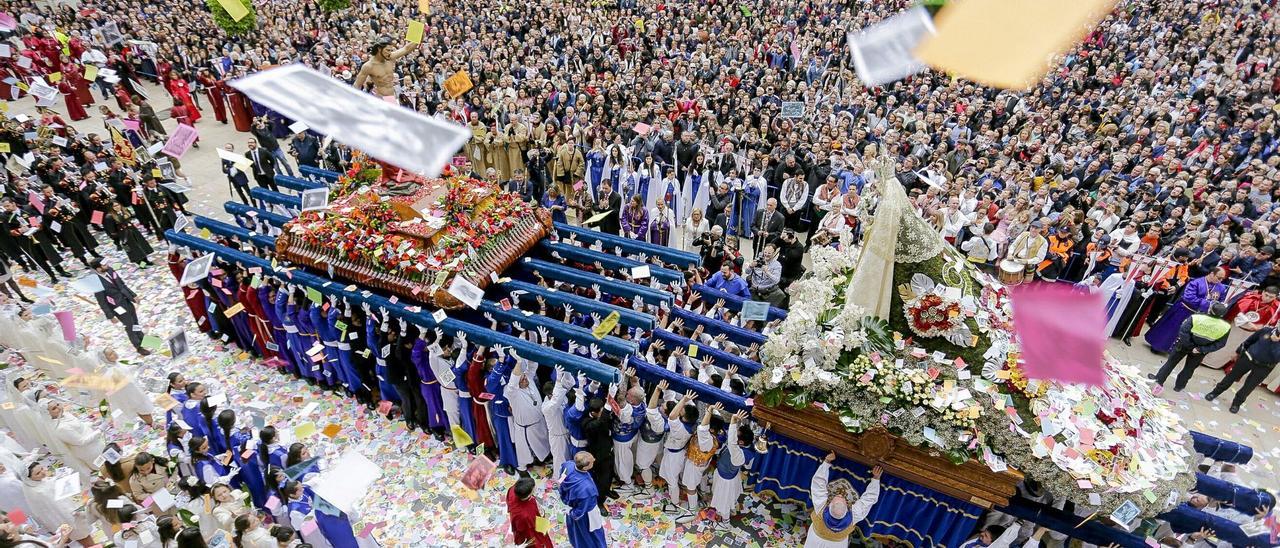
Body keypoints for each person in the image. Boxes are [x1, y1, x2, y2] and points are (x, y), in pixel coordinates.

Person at [804, 452, 882, 548]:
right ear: (847, 509)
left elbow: (818, 484)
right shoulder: (854, 515)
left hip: (815, 541)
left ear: (828, 505)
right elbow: (868, 500)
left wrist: (827, 461)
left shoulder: (821, 508)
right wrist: (876, 478)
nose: (840, 494)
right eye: (842, 498)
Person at [1149, 302, 1230, 391]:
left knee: (1171, 362)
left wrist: (1190, 346)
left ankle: (1159, 379)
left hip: (1184, 345)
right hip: (1200, 351)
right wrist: (1201, 349)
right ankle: (1179, 386)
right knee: (1189, 368)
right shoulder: (1225, 327)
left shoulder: (1196, 317)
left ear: (1210, 310)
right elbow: (1220, 343)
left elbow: (1183, 332)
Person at [1145, 269, 1228, 353]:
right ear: (1211, 273)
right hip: (1184, 309)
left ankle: (1173, 350)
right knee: (1170, 329)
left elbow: (1220, 301)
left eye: (1222, 279)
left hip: (1200, 315)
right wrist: (1208, 304)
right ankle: (1157, 346)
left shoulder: (1221, 287)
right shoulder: (1196, 283)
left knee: (1186, 334)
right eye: (1219, 278)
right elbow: (1189, 297)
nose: (1220, 281)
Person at [1206, 325, 1280, 413]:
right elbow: (1249, 341)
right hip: (1248, 358)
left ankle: (1236, 404)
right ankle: (1215, 392)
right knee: (1231, 377)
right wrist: (1238, 352)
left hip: (1265, 367)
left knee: (1249, 386)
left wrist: (1275, 343)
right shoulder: (1266, 330)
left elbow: (1277, 357)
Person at [90, 258, 149, 354]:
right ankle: (138, 346)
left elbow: (122, 284)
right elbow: (102, 302)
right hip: (117, 307)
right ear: (99, 269)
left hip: (126, 300)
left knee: (135, 321)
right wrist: (110, 316)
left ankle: (141, 337)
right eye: (104, 265)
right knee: (129, 325)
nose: (107, 266)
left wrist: (133, 295)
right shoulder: (96, 283)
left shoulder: (110, 270)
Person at [558, 451, 606, 548]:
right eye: (592, 461)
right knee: (592, 533)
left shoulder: (568, 465)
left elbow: (561, 480)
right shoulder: (587, 488)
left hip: (570, 502)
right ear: (585, 467)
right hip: (587, 514)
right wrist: (573, 514)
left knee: (576, 531)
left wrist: (562, 491)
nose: (594, 460)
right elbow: (581, 510)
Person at [355, 36, 421, 99]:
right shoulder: (369, 66)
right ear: (379, 49)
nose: (389, 53)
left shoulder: (390, 57)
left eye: (390, 50)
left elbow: (406, 49)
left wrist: (420, 34)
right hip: (380, 99)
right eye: (387, 50)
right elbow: (357, 85)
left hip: (392, 97)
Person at [506, 476, 552, 548]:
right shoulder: (526, 514)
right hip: (528, 526)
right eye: (533, 489)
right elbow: (536, 527)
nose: (535, 488)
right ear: (528, 495)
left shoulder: (512, 489)